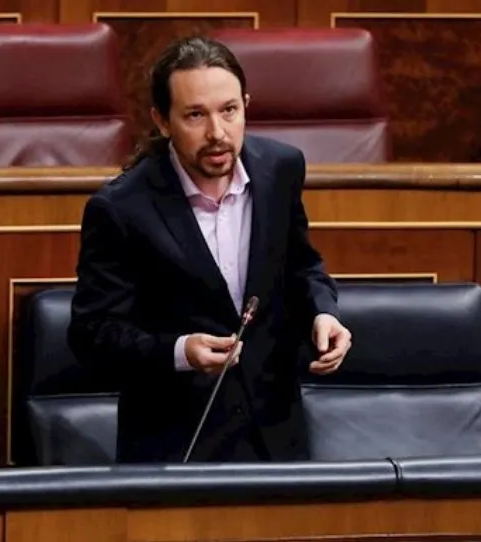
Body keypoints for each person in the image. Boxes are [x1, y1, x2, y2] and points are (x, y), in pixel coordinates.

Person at [67, 35, 352, 463]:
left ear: (246, 105)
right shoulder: (121, 209)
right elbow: (93, 335)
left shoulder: (281, 170)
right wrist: (180, 352)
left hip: (276, 436)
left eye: (229, 111)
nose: (217, 133)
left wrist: (323, 312)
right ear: (162, 121)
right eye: (195, 115)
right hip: (175, 443)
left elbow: (301, 265)